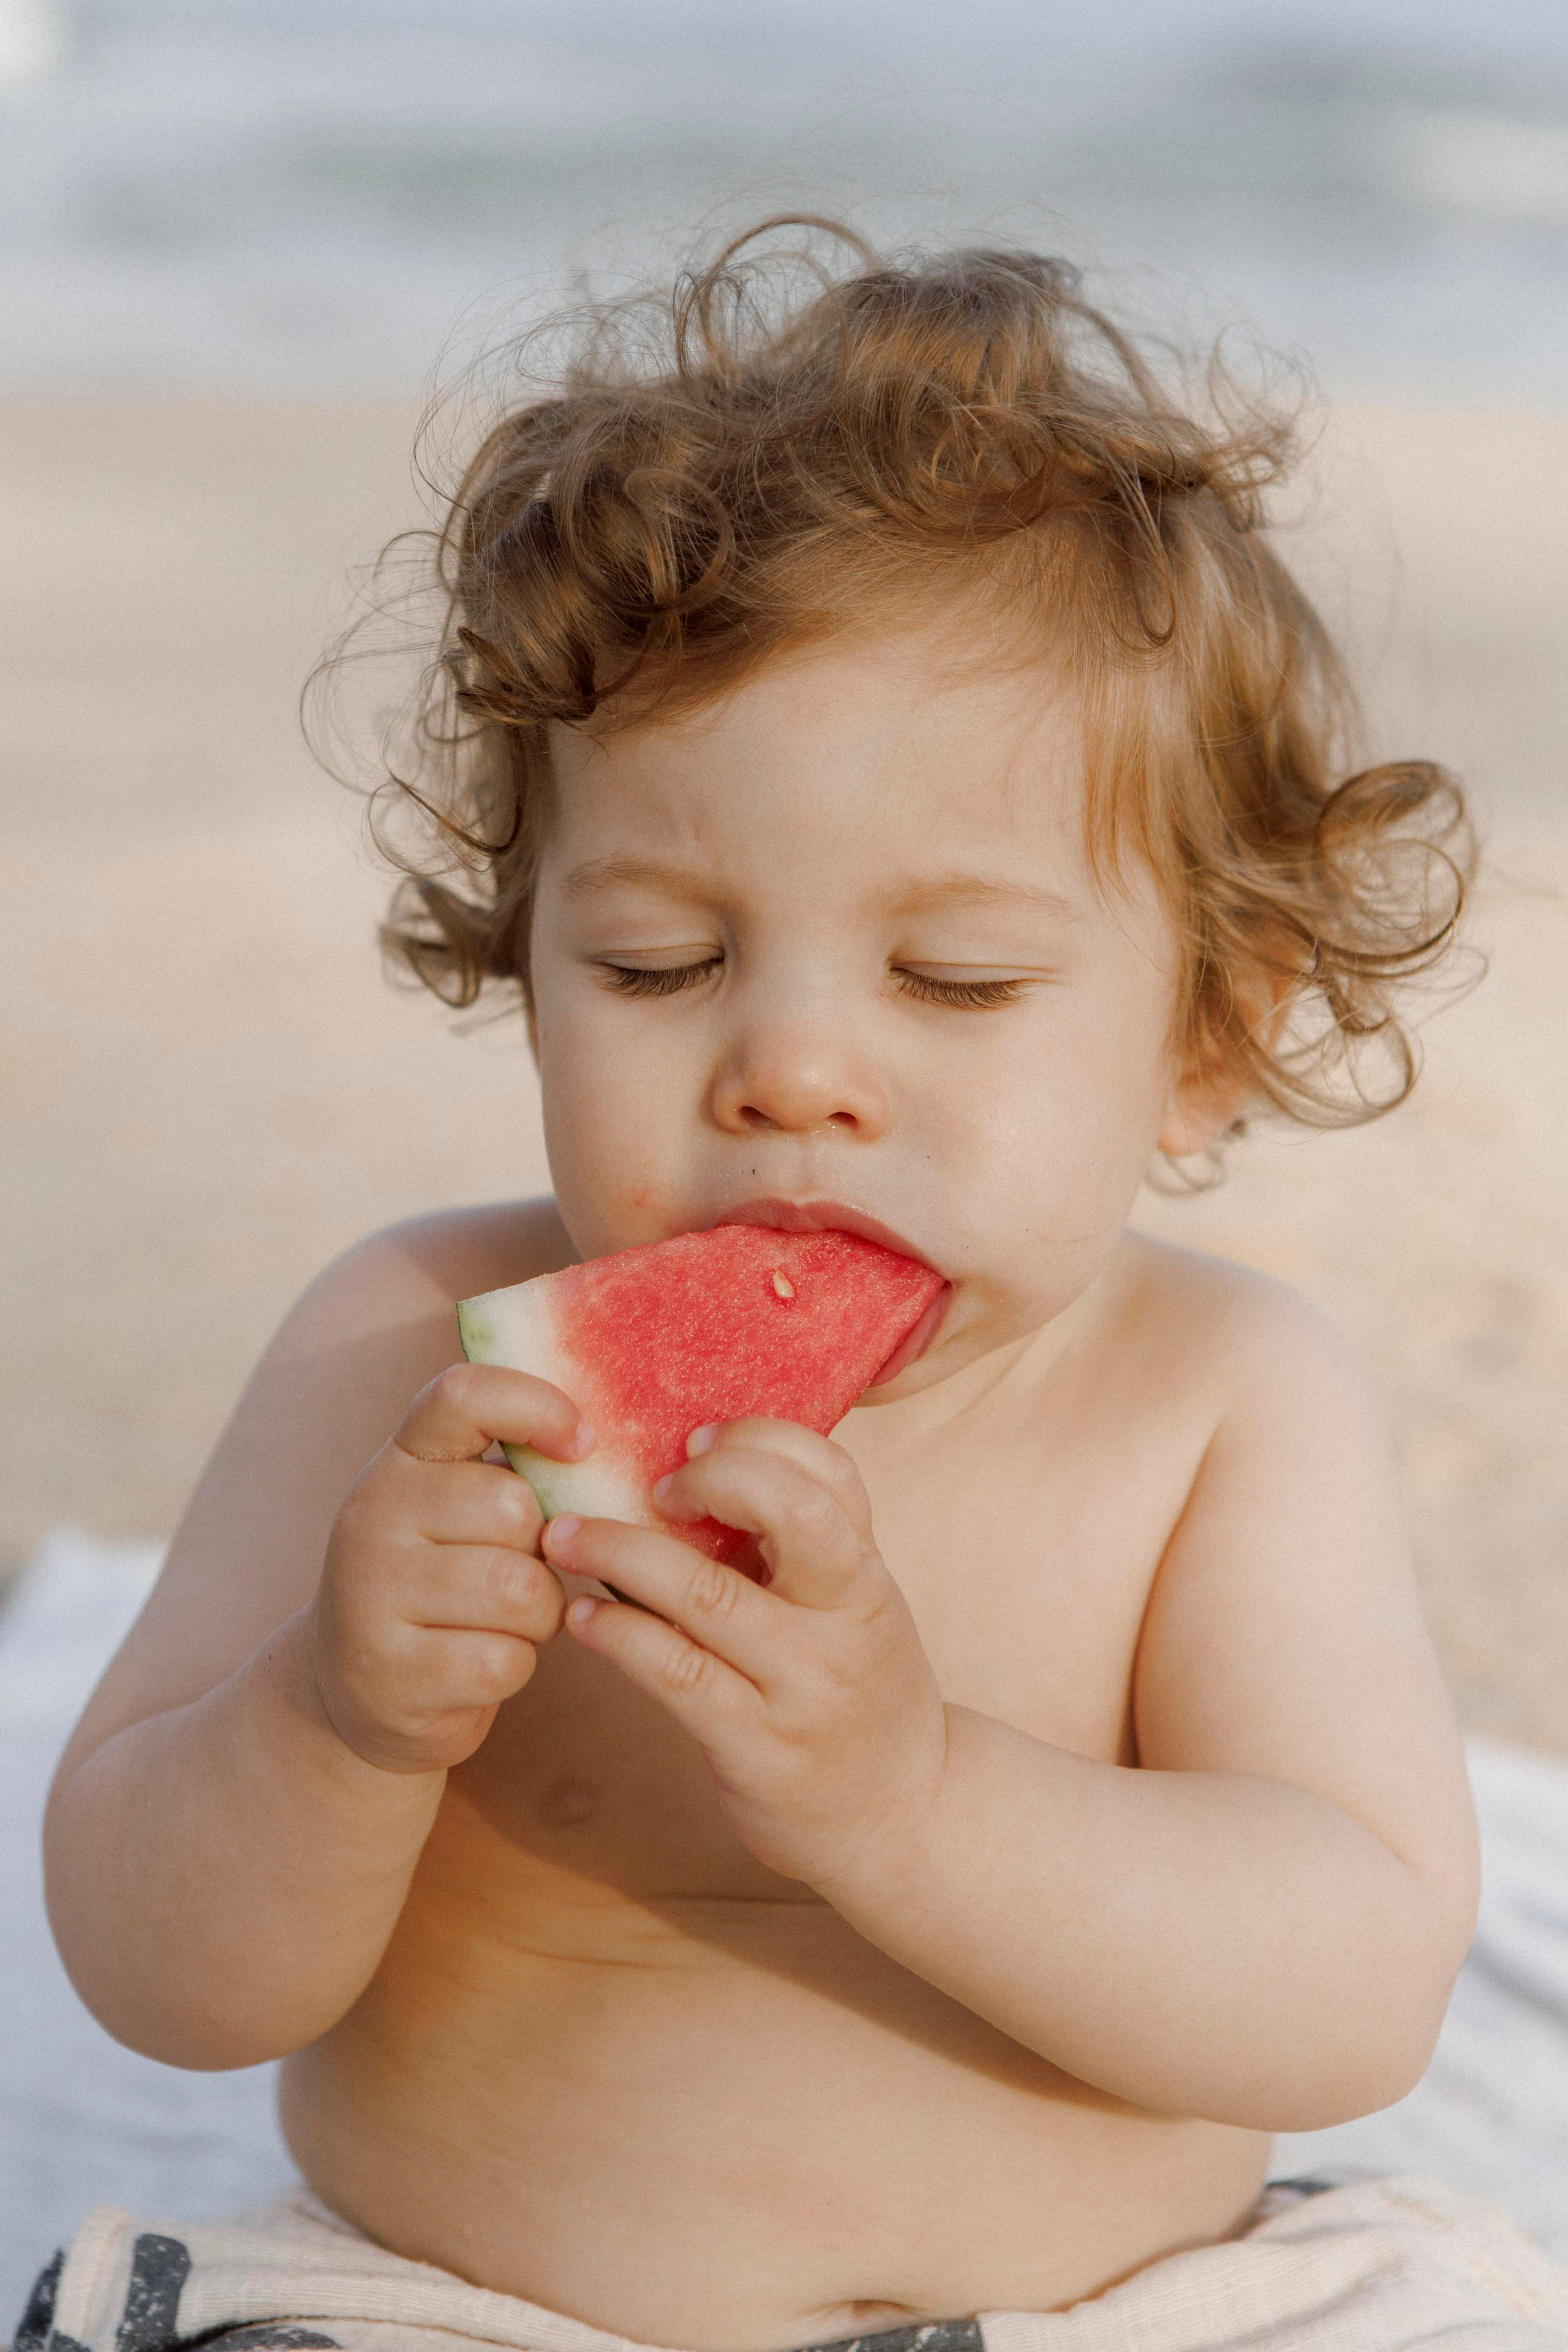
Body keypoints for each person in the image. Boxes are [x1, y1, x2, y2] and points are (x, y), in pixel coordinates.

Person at [26, 221, 1568, 2352]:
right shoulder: (404, 1347)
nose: (795, 1078)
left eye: (956, 978)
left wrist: (917, 1798)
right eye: (658, 966)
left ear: (1205, 1039)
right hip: (451, 2311)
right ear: (529, 958)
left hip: (1130, 2316)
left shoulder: (1218, 1398)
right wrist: (330, 1721)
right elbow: (155, 1975)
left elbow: (1350, 1991)